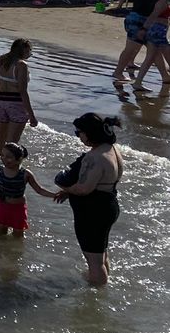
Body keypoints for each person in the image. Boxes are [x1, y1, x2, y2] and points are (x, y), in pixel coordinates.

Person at [52, 112, 124, 286]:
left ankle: (95, 297)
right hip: (108, 204)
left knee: (94, 259)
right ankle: (101, 279)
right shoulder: (112, 149)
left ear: (90, 133)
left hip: (93, 210)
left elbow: (84, 189)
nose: (78, 136)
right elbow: (96, 183)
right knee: (101, 252)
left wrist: (66, 188)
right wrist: (69, 193)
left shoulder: (94, 158)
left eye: (79, 132)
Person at [0, 38, 36, 157]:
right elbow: (23, 91)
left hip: (1, 101)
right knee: (12, 142)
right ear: (23, 51)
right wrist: (31, 116)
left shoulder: (1, 59)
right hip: (15, 103)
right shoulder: (21, 65)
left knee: (0, 138)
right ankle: (8, 169)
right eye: (29, 52)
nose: (30, 54)